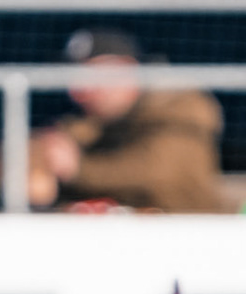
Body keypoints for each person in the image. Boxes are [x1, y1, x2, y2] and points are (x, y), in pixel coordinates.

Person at [30, 30, 224, 213]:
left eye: (90, 76)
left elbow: (154, 171)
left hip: (191, 234)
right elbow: (49, 143)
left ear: (127, 70)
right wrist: (36, 167)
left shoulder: (180, 107)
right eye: (72, 78)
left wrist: (78, 169)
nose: (77, 91)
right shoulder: (95, 121)